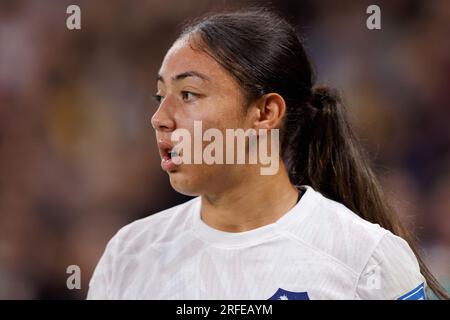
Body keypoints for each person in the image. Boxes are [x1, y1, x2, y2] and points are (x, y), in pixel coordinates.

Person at [87, 9, 449, 299]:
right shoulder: (129, 256)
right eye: (159, 97)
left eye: (189, 95)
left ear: (265, 113)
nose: (159, 118)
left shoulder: (367, 261)